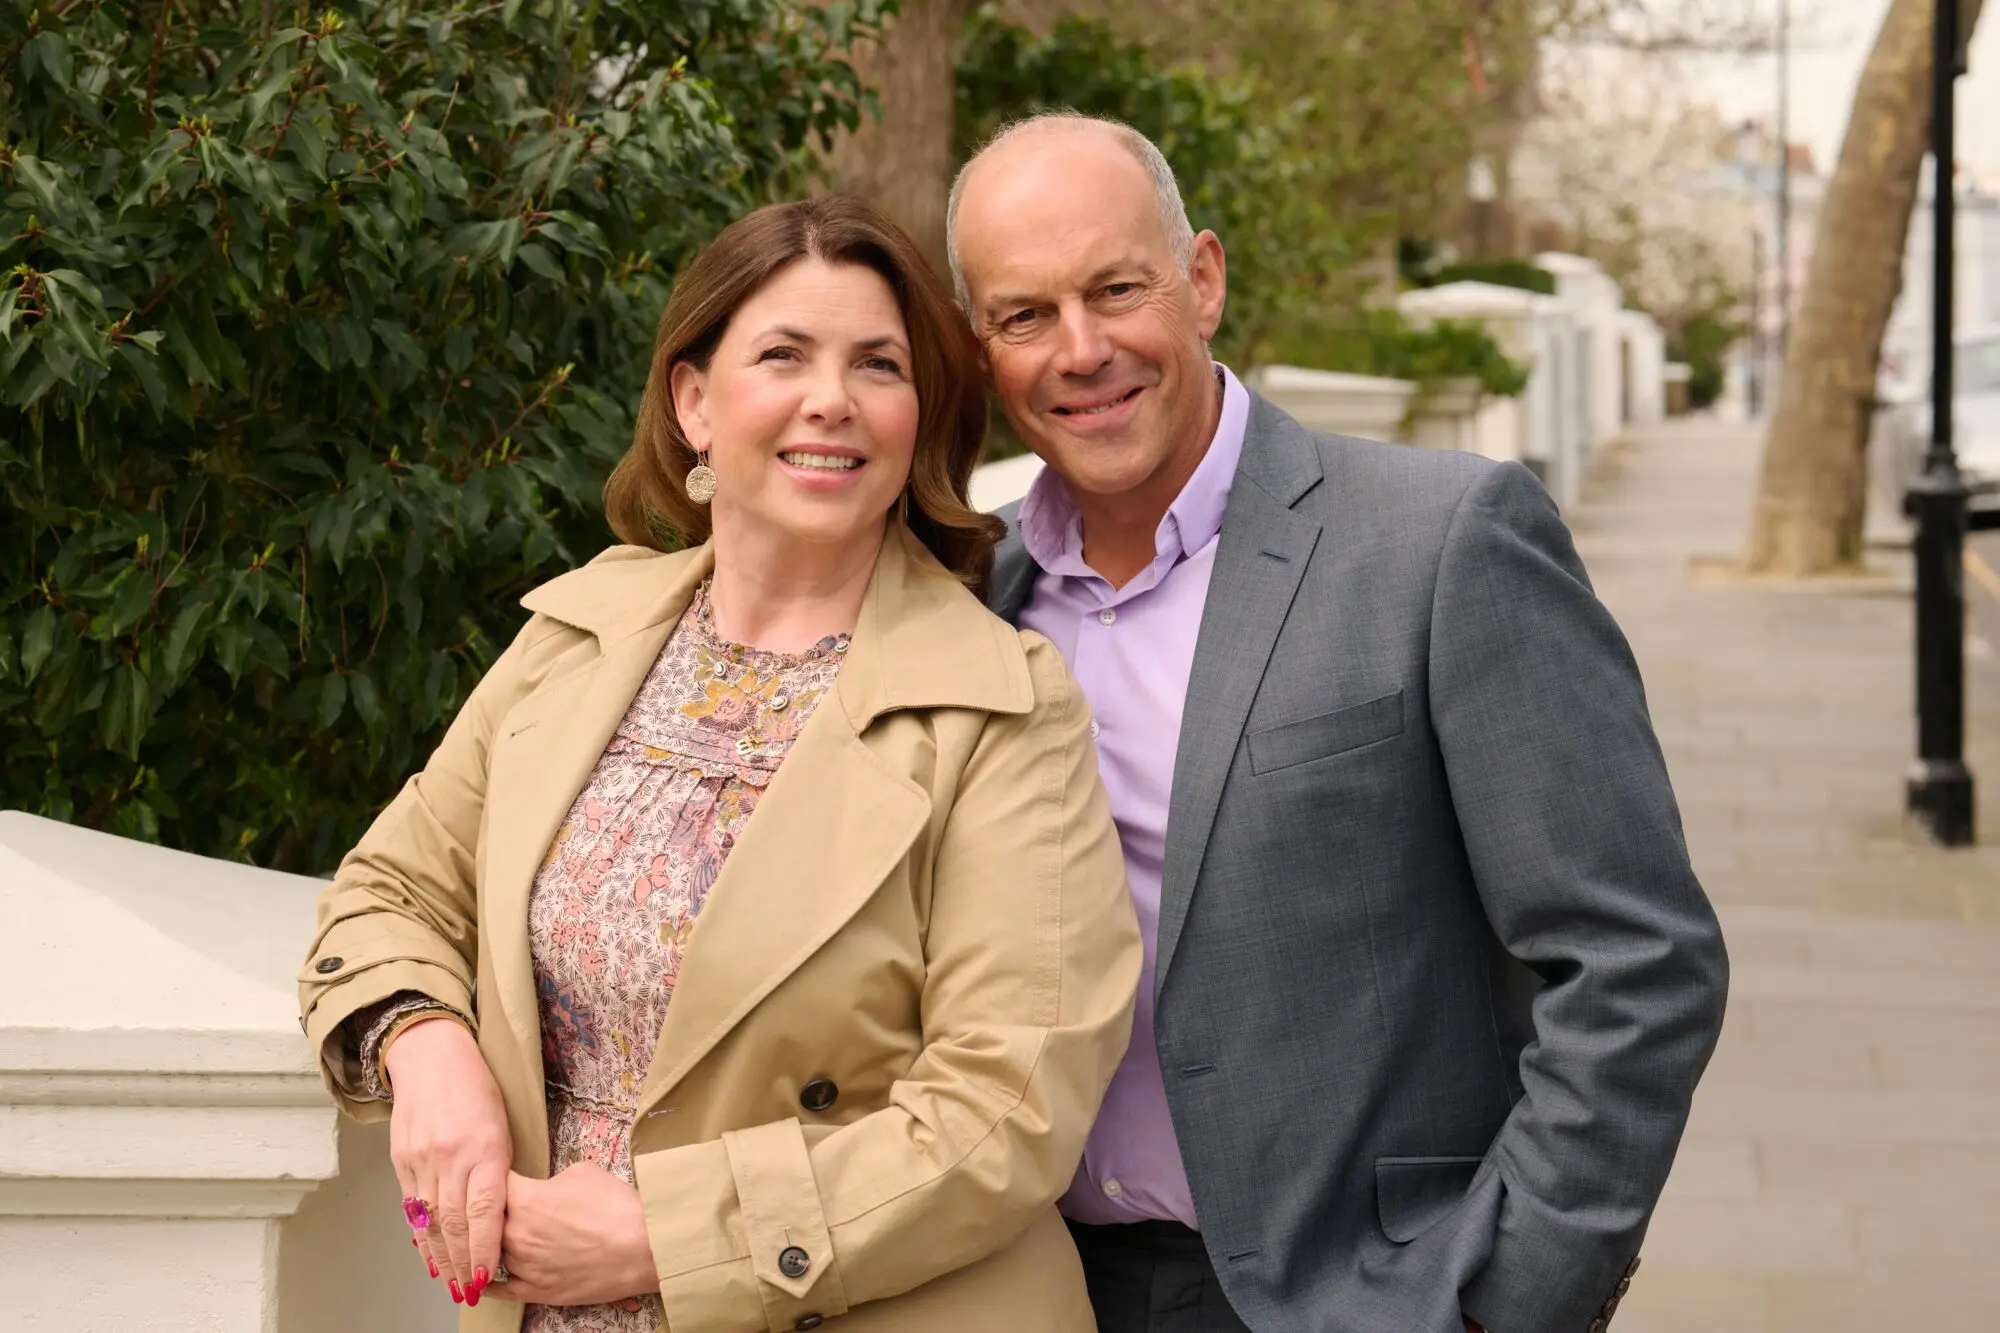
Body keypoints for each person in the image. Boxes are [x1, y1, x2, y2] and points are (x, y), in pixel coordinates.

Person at [297, 195, 1142, 1333]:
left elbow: (1008, 1106)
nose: (829, 399)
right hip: (541, 1302)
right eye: (782, 354)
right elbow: (391, 890)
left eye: (877, 366)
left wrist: (662, 1239)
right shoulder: (577, 634)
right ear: (695, 401)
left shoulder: (1002, 703)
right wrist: (428, 1049)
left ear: (917, 415)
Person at [948, 112, 1730, 1333]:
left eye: (1115, 287)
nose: (1080, 348)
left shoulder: (1440, 540)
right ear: (979, 346)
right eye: (1024, 315)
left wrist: (1506, 1295)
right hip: (1032, 1290)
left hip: (1358, 1296)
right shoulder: (969, 595)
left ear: (1200, 278)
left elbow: (1636, 960)